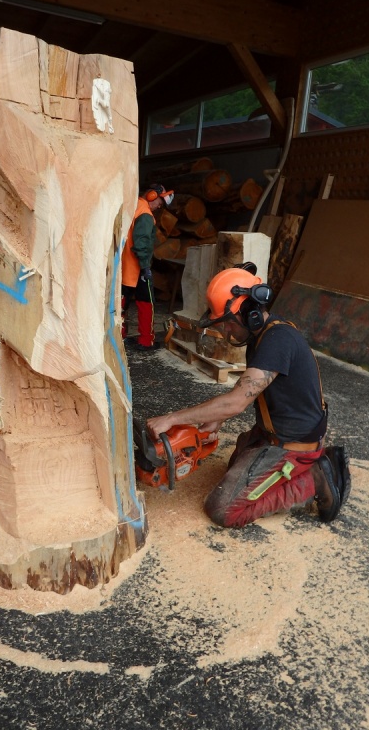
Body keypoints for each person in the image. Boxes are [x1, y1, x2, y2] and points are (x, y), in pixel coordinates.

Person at [146, 264, 351, 527]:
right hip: (274, 432)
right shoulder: (264, 335)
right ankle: (283, 465)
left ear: (250, 312)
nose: (226, 331)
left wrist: (172, 419)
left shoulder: (278, 340)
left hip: (293, 445)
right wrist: (218, 417)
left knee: (223, 509)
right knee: (234, 465)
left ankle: (313, 478)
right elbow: (252, 389)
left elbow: (236, 402)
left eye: (228, 323)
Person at [121, 183, 174, 351]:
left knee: (122, 303)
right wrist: (145, 267)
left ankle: (120, 336)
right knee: (147, 303)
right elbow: (141, 242)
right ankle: (146, 341)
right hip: (137, 267)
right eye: (159, 202)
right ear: (152, 195)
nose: (159, 206)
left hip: (125, 267)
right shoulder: (145, 214)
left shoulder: (133, 205)